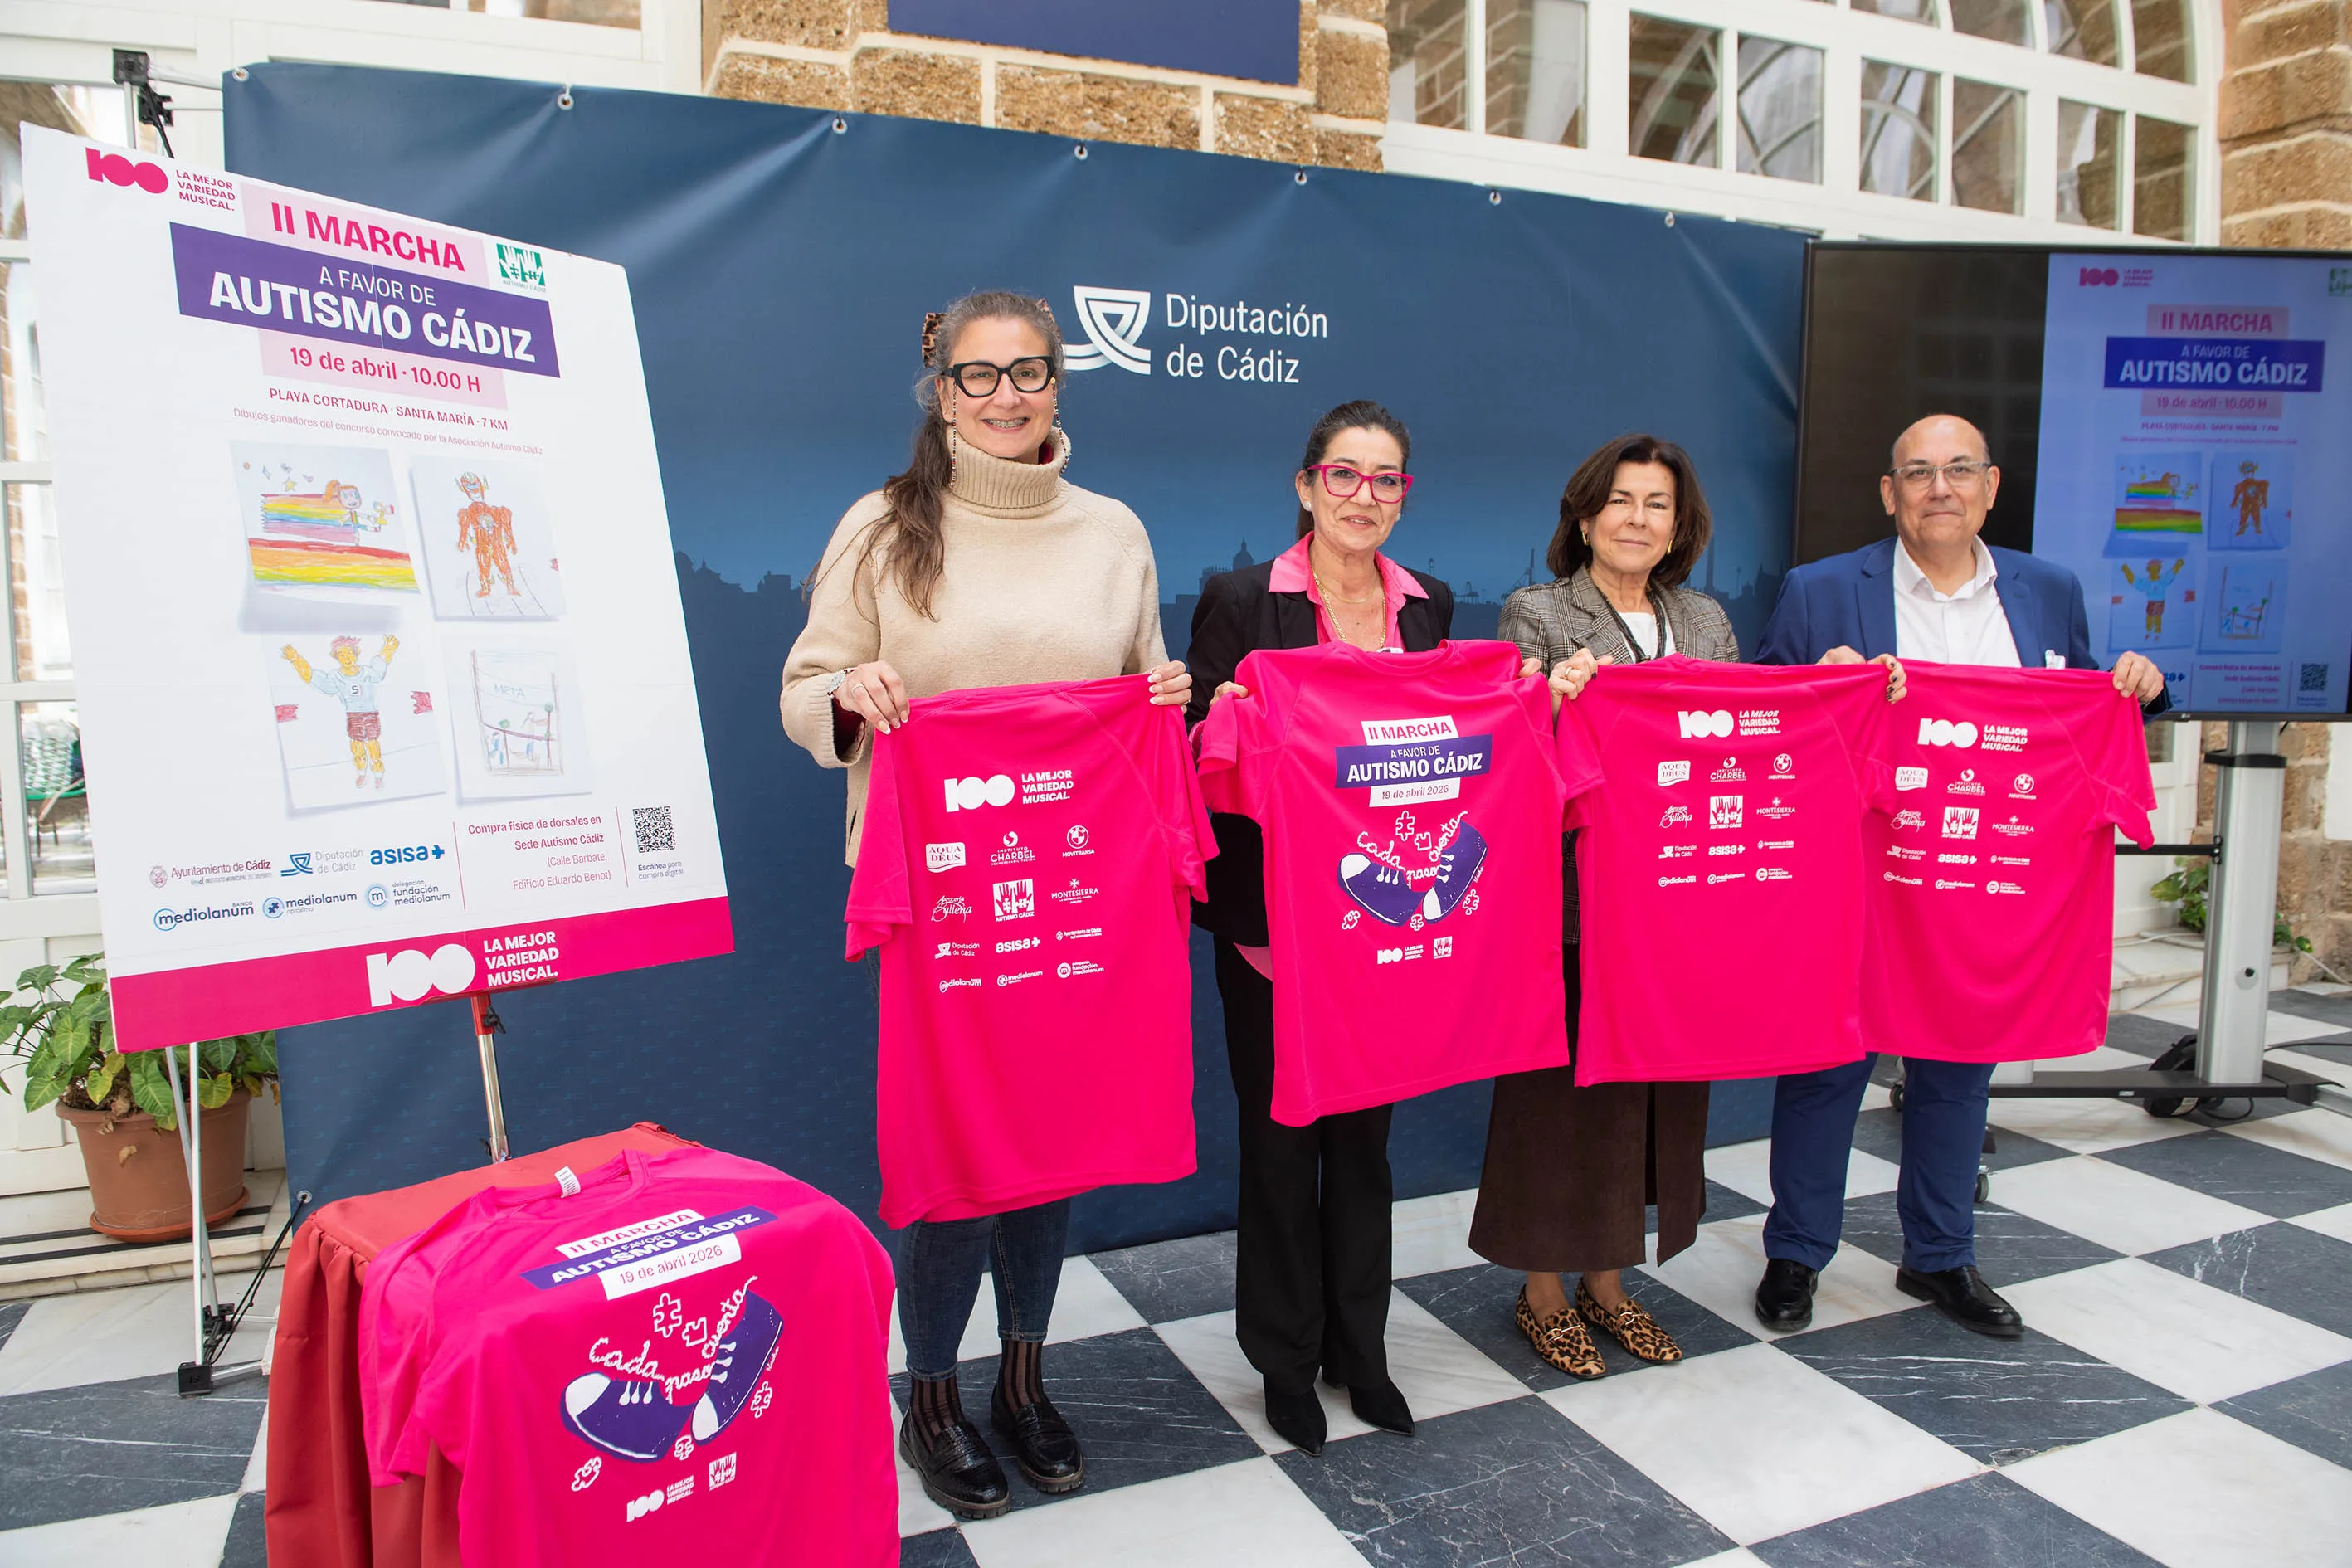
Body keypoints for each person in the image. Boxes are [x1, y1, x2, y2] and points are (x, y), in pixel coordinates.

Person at [778, 290, 1191, 1519]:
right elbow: (805, 689)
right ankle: (935, 1391)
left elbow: (1134, 689)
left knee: (1047, 1143)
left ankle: (1023, 1376)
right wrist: (851, 690)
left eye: (1028, 371)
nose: (1005, 396)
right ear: (938, 390)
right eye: (978, 376)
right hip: (942, 892)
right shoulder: (883, 524)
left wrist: (1161, 693)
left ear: (1060, 382)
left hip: (1075, 885)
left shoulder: (1112, 529)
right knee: (953, 1147)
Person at [1752, 411, 2167, 1338]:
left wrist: (2138, 684)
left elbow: (2079, 716)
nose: (1939, 488)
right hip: (1858, 874)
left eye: (1958, 470)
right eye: (1918, 473)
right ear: (1889, 493)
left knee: (1957, 1072)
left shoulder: (2048, 592)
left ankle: (1938, 1256)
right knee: (1826, 1064)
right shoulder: (1820, 591)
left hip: (1986, 875)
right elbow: (1763, 719)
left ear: (1991, 485)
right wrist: (1821, 682)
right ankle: (1796, 1251)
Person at [1187, 401, 1534, 1455]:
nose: (1365, 498)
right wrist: (1229, 719)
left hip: (1388, 920)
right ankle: (1285, 1362)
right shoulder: (1243, 598)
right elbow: (1197, 744)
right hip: (1275, 932)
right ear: (1306, 486)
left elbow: (1451, 746)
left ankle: (1362, 1351)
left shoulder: (1427, 606)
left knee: (1367, 1149)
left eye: (1387, 481)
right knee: (1283, 1146)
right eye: (1346, 476)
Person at [1468, 434, 1736, 1377]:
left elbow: (1734, 750)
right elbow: (1503, 755)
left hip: (1678, 909)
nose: (1636, 518)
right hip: (1573, 904)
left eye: (1656, 503)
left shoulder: (1704, 621)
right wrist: (1546, 700)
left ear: (1678, 526)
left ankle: (1611, 1281)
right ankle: (1542, 1290)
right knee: (1564, 1102)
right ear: (1584, 518)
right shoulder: (1537, 613)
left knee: (1649, 1100)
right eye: (1618, 500)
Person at [283, 633, 399, 789]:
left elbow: (381, 663)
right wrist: (296, 659)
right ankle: (362, 773)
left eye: (349, 653)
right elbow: (312, 677)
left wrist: (389, 647)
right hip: (353, 718)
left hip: (371, 716)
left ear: (356, 653)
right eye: (342, 654)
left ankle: (378, 775)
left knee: (373, 748)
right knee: (357, 749)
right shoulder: (336, 677)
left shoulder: (366, 672)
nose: (346, 657)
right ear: (336, 657)